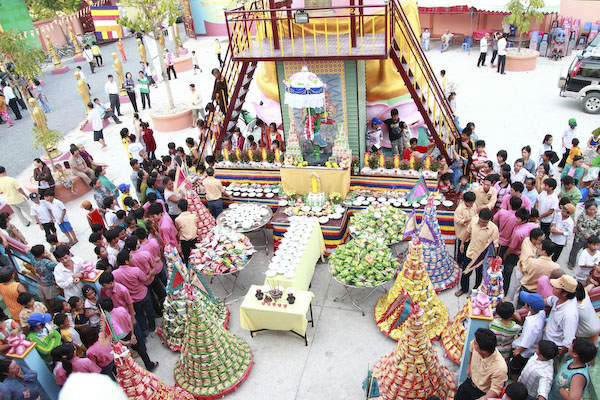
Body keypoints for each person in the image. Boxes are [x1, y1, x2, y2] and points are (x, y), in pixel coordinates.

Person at [98, 296, 158, 371]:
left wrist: (124, 343)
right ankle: (149, 365)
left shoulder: (105, 320)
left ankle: (135, 371)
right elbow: (130, 323)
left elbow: (111, 337)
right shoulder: (121, 310)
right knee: (141, 351)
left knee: (127, 357)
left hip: (121, 340)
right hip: (130, 333)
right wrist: (132, 335)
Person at [454, 328, 507, 400]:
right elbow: (471, 350)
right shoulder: (475, 344)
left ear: (483, 351)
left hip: (481, 392)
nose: (473, 342)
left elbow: (495, 389)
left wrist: (484, 398)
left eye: (476, 343)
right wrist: (469, 365)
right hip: (470, 382)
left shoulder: (500, 367)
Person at [456, 208, 499, 297]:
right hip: (470, 252)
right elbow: (468, 231)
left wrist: (492, 258)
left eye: (484, 223)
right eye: (480, 221)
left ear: (489, 220)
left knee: (479, 275)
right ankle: (464, 288)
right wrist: (462, 243)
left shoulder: (494, 229)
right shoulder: (474, 220)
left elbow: (494, 245)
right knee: (465, 272)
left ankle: (475, 291)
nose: (482, 224)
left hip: (482, 257)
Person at [112, 249, 156, 335]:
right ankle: (152, 326)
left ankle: (144, 330)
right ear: (126, 261)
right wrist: (150, 273)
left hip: (132, 299)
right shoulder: (135, 270)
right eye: (131, 257)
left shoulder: (114, 274)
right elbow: (145, 279)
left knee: (138, 314)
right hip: (143, 295)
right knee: (149, 311)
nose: (132, 259)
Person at [544, 275, 579, 355]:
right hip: (547, 340)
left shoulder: (569, 314)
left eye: (556, 288)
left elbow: (568, 341)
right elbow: (546, 301)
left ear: (565, 293)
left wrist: (559, 354)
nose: (553, 288)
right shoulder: (557, 298)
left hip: (554, 348)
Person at [454, 191, 476, 262]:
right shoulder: (459, 209)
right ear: (465, 201)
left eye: (473, 202)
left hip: (470, 235)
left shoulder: (474, 205)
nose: (472, 204)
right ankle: (458, 263)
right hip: (461, 235)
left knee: (467, 251)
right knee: (459, 253)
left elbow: (475, 214)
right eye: (470, 203)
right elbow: (458, 221)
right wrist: (469, 219)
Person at [175, 199, 198, 264]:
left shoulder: (178, 219)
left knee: (186, 257)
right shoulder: (193, 216)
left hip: (184, 242)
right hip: (194, 239)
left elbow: (178, 229)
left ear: (179, 208)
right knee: (196, 257)